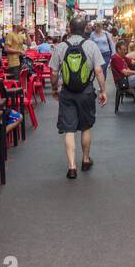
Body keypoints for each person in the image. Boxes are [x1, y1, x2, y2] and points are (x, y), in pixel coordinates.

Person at [49, 14, 107, 179]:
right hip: (86, 91)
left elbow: (53, 72)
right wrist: (102, 90)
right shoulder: (91, 46)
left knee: (69, 129)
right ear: (84, 30)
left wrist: (55, 88)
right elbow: (98, 71)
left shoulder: (60, 47)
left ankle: (72, 167)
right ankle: (85, 160)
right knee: (86, 127)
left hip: (67, 92)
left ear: (70, 28)